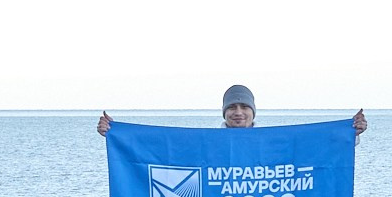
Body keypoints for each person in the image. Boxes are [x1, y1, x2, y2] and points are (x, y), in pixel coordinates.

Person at [96, 84, 366, 136]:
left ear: (253, 112)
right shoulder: (209, 141)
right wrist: (116, 134)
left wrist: (349, 134)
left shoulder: (271, 139)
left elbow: (314, 152)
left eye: (244, 107)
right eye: (232, 107)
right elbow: (161, 148)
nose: (238, 112)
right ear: (224, 113)